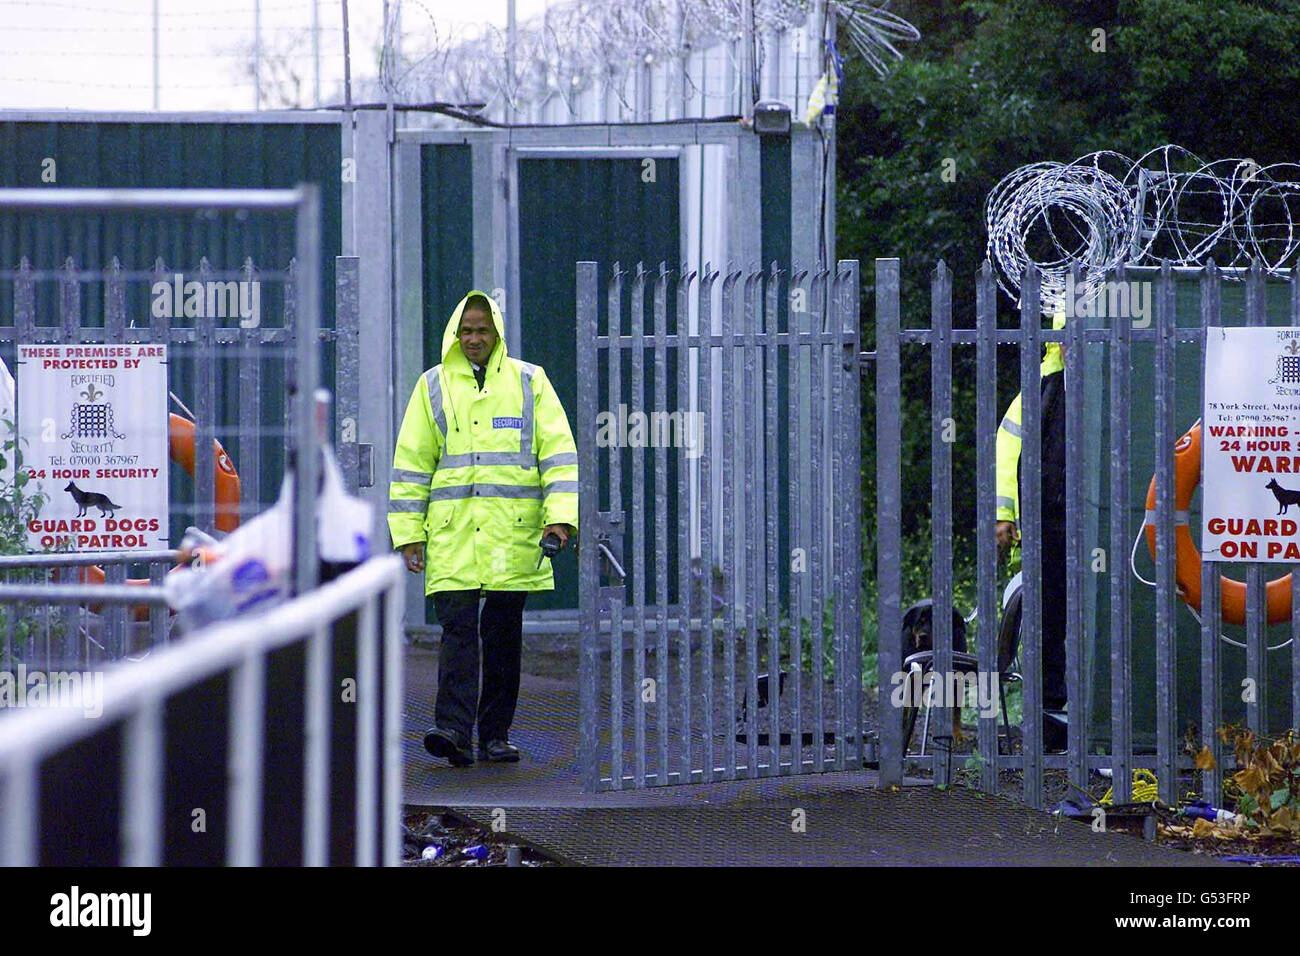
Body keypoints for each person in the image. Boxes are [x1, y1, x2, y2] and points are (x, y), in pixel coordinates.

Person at [388, 291, 578, 767]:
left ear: (497, 335)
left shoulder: (530, 382)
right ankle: (452, 730)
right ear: (456, 334)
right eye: (466, 331)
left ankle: (495, 735)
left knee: (501, 635)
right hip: (454, 536)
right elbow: (411, 463)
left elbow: (557, 454)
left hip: (512, 536)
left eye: (482, 331)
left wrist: (560, 517)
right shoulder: (432, 386)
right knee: (457, 632)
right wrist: (409, 532)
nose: (474, 339)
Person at [995, 309, 1069, 752]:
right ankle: (1049, 720)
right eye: (1064, 335)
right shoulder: (1038, 387)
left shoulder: (1105, 379)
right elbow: (1007, 452)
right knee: (1048, 619)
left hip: (1083, 526)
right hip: (1048, 527)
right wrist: (1006, 515)